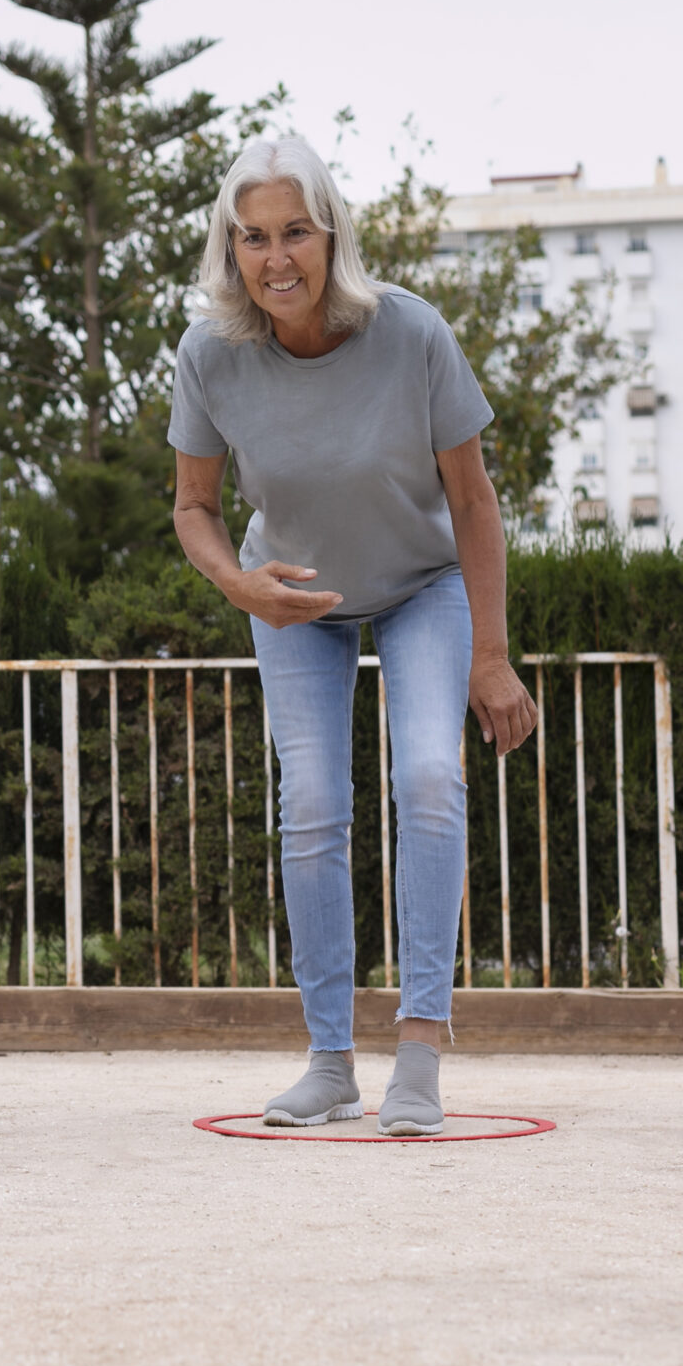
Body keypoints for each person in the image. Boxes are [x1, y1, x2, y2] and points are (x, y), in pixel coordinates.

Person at [169, 134, 538, 1137]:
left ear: (331, 235)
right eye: (253, 237)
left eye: (294, 232)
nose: (275, 257)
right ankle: (329, 1064)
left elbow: (471, 501)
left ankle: (417, 1052)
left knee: (426, 777)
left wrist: (490, 655)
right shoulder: (210, 355)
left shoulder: (411, 334)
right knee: (315, 802)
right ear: (229, 247)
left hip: (421, 586)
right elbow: (192, 508)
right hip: (293, 596)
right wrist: (243, 586)